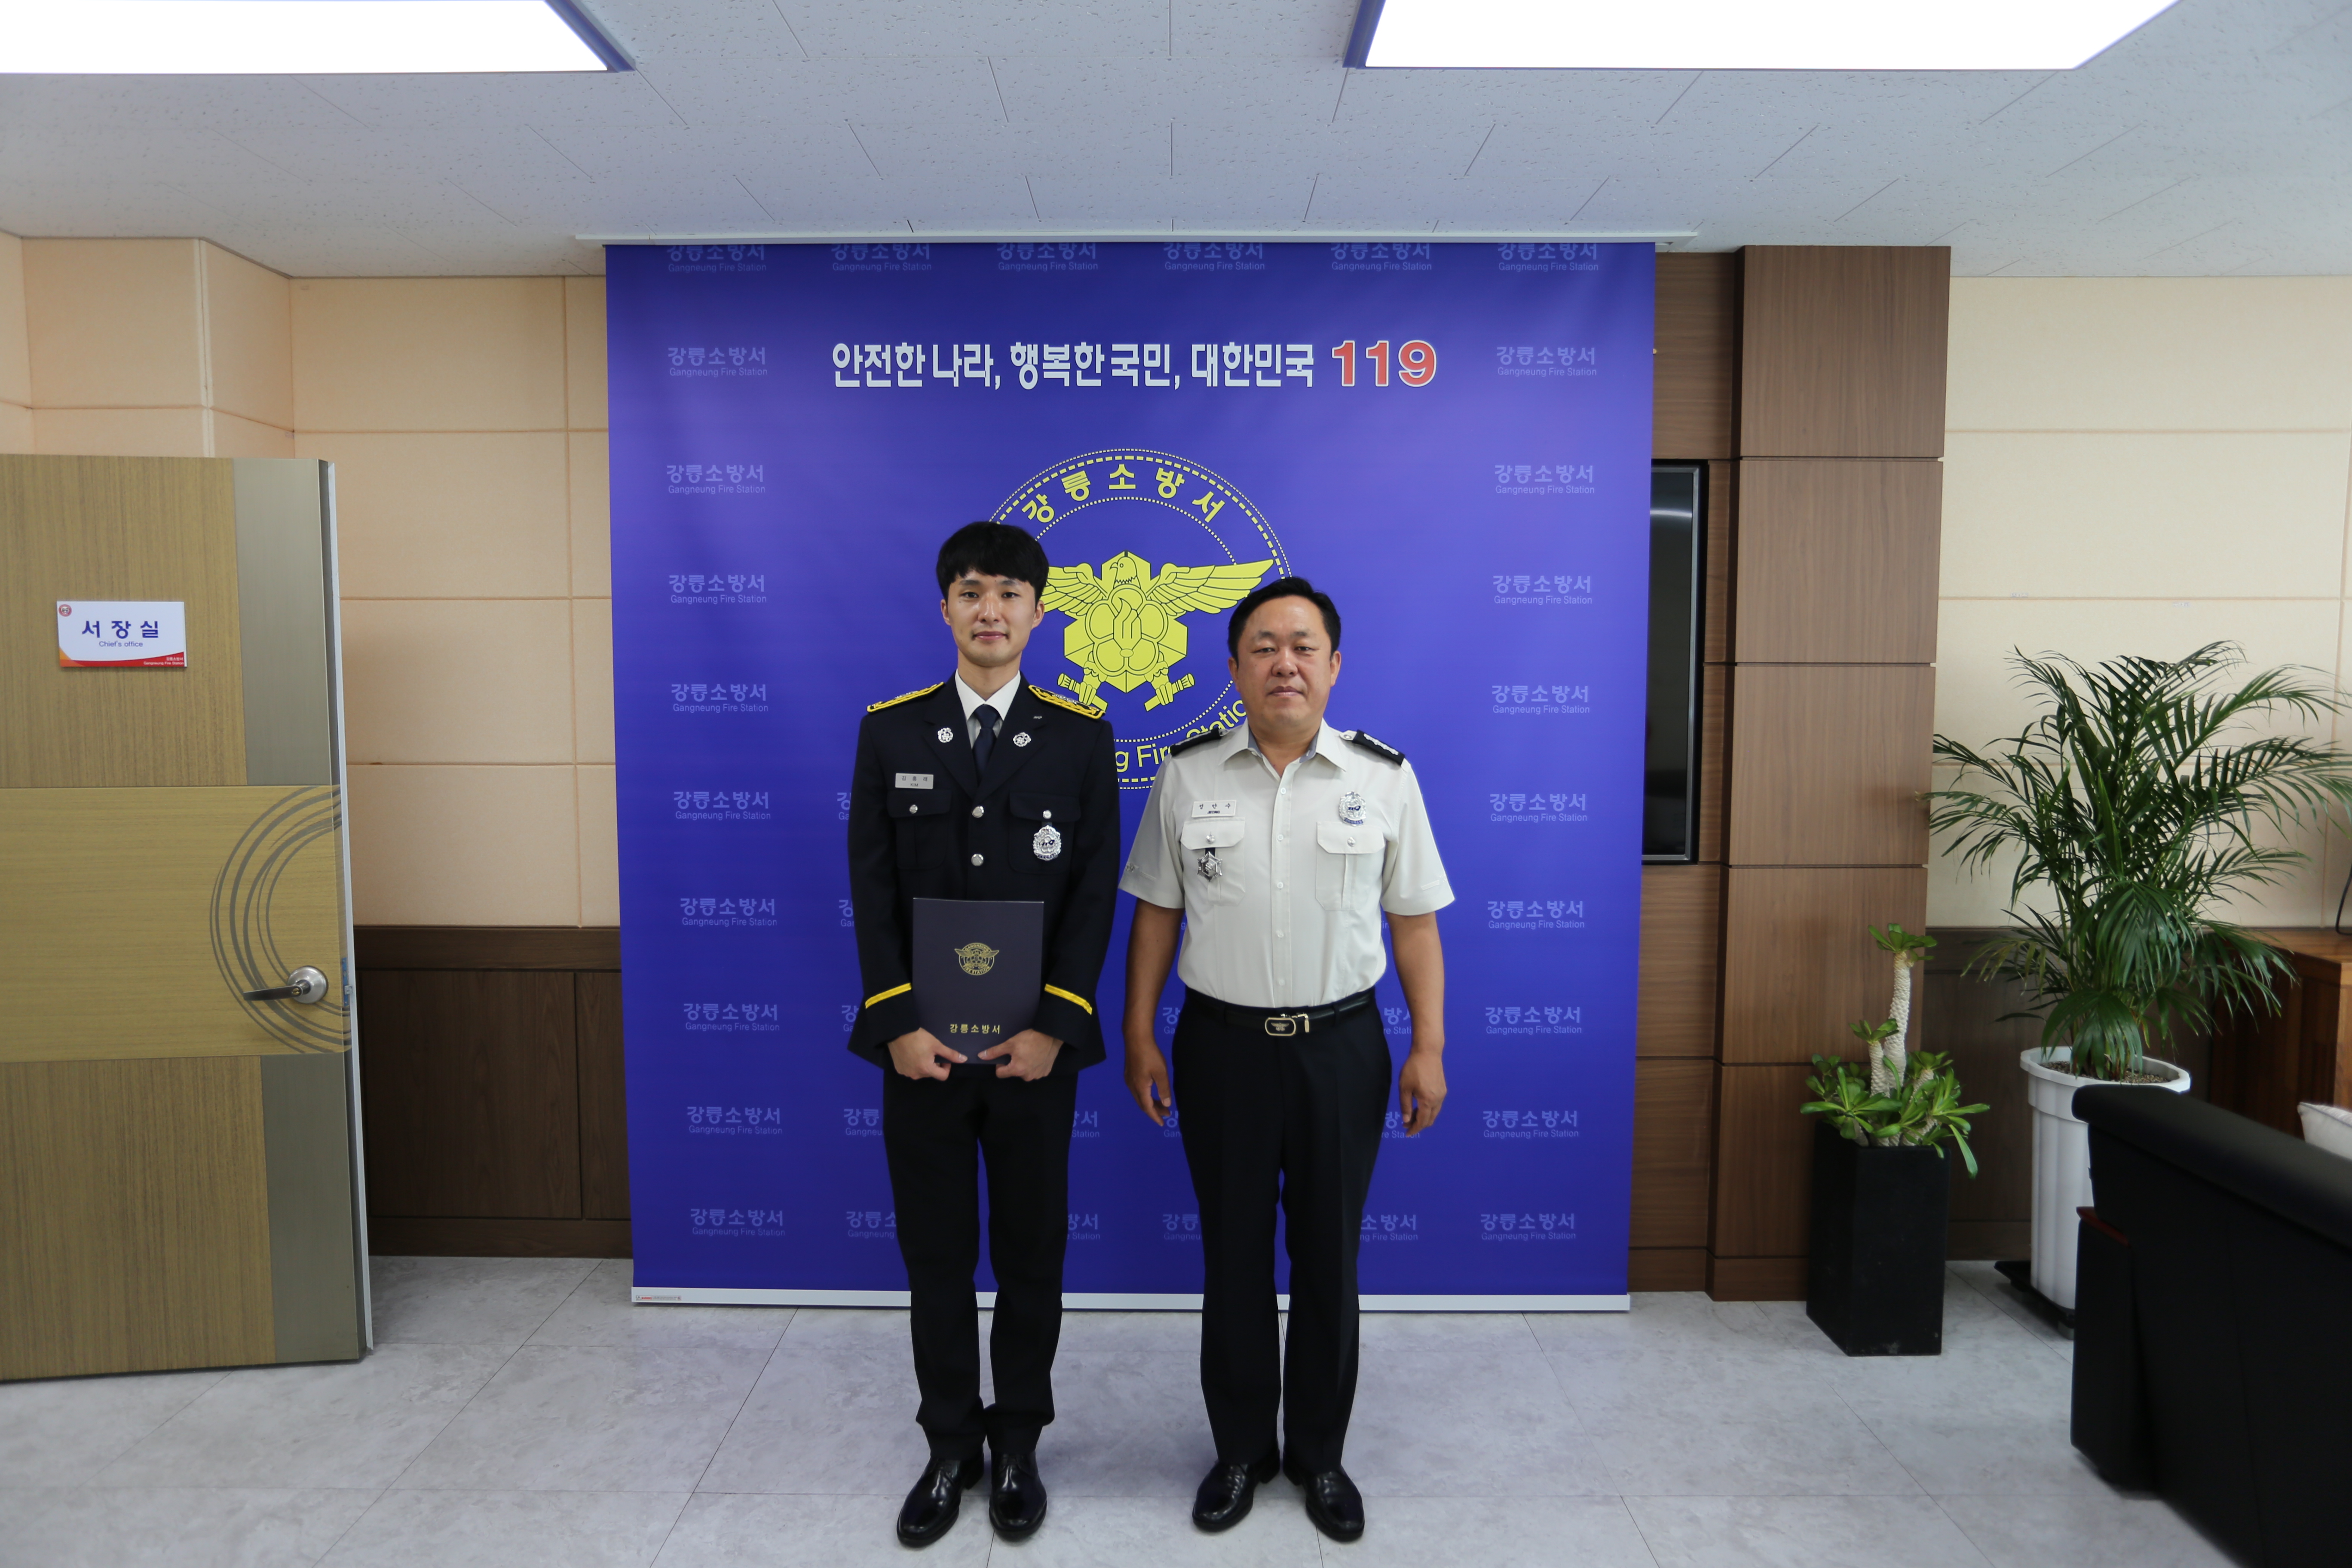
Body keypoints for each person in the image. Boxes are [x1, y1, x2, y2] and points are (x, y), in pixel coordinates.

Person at [1116, 576, 1452, 1543]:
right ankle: (1239, 1453)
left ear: (1334, 666)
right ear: (1234, 669)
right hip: (1220, 1047)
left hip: (1341, 1049)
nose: (1285, 664)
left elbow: (1414, 922)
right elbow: (1157, 914)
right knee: (1232, 1258)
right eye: (1264, 647)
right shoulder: (1188, 777)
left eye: (1304, 647)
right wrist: (1139, 1032)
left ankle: (1318, 1455)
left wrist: (1429, 1045)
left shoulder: (1382, 779)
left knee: (1329, 1260)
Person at [844, 520, 1119, 1548]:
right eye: (971, 592)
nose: (990, 610)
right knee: (937, 1255)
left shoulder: (1080, 738)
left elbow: (1093, 897)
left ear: (1039, 614)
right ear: (946, 608)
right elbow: (871, 888)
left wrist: (1057, 1026)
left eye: (1009, 594)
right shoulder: (892, 732)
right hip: (920, 1055)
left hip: (1033, 1059)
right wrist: (896, 1022)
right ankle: (950, 1444)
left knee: (1032, 1254)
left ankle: (1018, 1445)